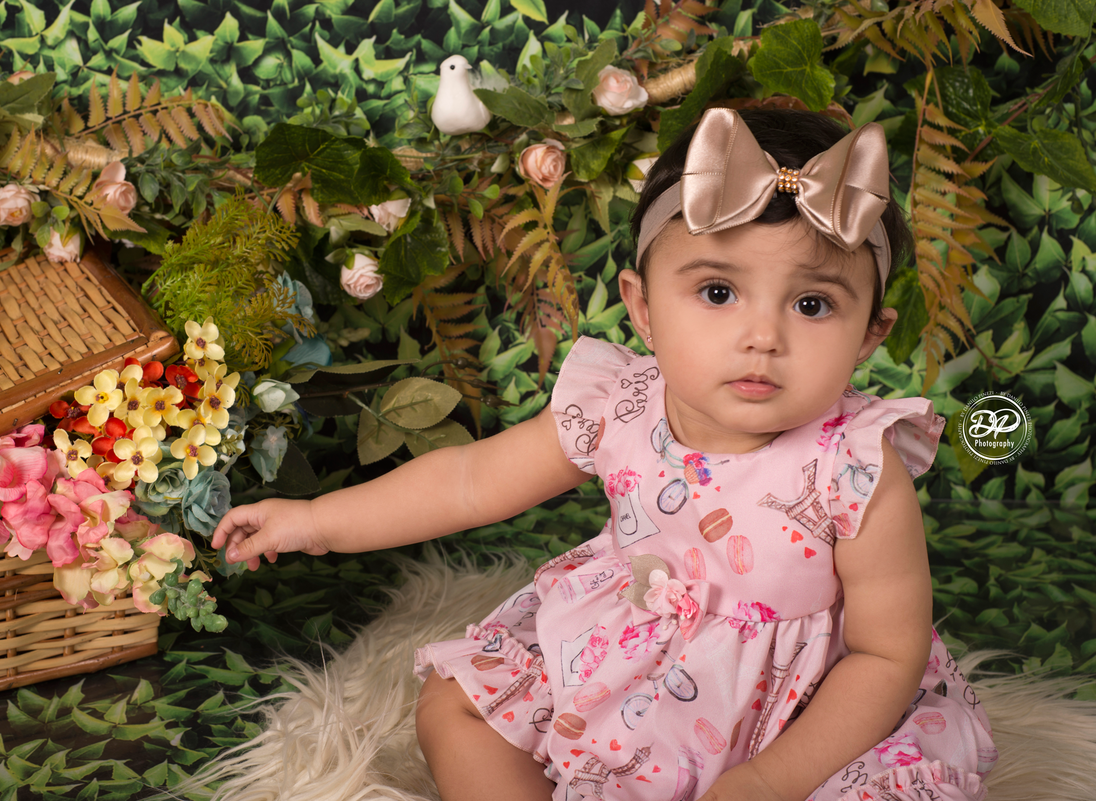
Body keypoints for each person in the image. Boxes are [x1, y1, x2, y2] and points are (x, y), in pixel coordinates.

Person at [211, 107, 997, 801]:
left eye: (813, 303)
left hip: (797, 714)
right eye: (718, 292)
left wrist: (768, 781)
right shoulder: (620, 403)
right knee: (456, 707)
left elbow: (885, 654)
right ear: (642, 308)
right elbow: (466, 480)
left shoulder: (857, 467)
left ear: (869, 335)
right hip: (631, 670)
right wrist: (316, 520)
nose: (764, 335)